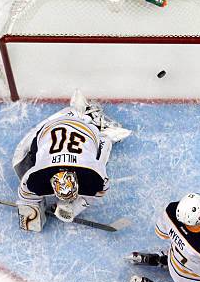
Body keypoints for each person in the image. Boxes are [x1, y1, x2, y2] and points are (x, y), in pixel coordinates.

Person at [12, 89, 131, 231]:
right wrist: (33, 208)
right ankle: (90, 120)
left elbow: (26, 196)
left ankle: (92, 121)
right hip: (58, 127)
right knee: (20, 165)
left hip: (70, 128)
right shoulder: (35, 178)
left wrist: (74, 207)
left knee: (22, 165)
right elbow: (96, 194)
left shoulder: (91, 177)